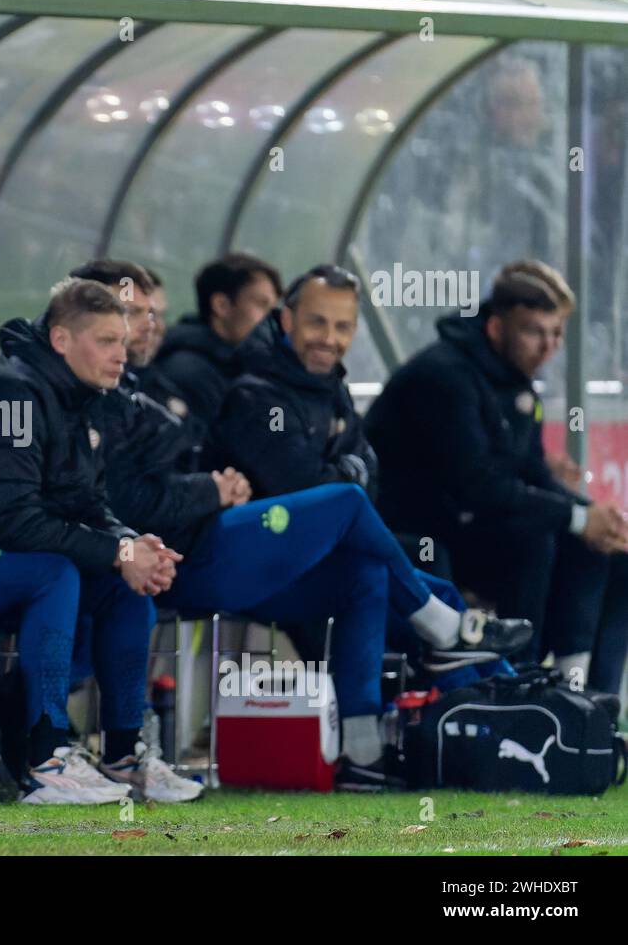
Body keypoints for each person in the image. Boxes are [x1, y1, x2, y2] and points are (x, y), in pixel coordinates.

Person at [74, 258, 532, 789]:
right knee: (344, 506)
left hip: (225, 548)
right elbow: (142, 495)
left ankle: (373, 748)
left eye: (151, 313)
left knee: (369, 570)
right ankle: (452, 635)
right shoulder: (234, 390)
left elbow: (366, 473)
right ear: (286, 321)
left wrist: (328, 477)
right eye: (128, 313)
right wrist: (211, 490)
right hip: (194, 556)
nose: (144, 326)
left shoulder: (153, 385)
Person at [0, 278, 200, 804]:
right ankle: (46, 761)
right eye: (107, 341)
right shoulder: (7, 393)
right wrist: (118, 553)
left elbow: (86, 502)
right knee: (56, 573)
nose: (122, 355)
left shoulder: (80, 398)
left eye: (123, 340)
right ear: (63, 340)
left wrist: (133, 545)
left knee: (125, 587)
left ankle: (123, 754)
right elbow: (16, 522)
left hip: (12, 548)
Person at [366, 262, 628, 693]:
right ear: (494, 328)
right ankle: (517, 686)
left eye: (556, 333)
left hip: (473, 523)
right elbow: (478, 486)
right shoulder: (444, 376)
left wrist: (597, 519)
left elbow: (532, 473)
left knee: (606, 552)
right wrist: (578, 518)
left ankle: (590, 701)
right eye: (534, 331)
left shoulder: (515, 380)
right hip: (422, 529)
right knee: (534, 539)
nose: (548, 346)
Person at [205, 264, 376, 497]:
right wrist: (354, 473)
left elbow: (372, 471)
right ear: (287, 320)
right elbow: (304, 490)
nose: (329, 338)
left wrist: (348, 473)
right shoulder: (257, 396)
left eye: (342, 327)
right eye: (317, 322)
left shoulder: (333, 386)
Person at [151, 253, 281, 445]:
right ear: (221, 305)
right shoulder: (188, 372)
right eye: (262, 305)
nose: (272, 320)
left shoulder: (238, 369)